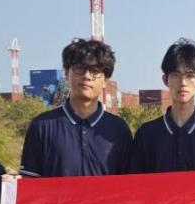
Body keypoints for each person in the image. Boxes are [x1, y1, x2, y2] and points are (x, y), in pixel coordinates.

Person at [20, 38, 132, 177]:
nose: (87, 76)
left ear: (105, 80)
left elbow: (129, 186)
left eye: (95, 70)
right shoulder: (42, 126)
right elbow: (29, 183)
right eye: (80, 68)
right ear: (67, 74)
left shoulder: (119, 130)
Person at [130, 39, 195, 173]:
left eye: (190, 75)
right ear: (165, 80)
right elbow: (136, 183)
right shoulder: (146, 135)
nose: (183, 82)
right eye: (175, 75)